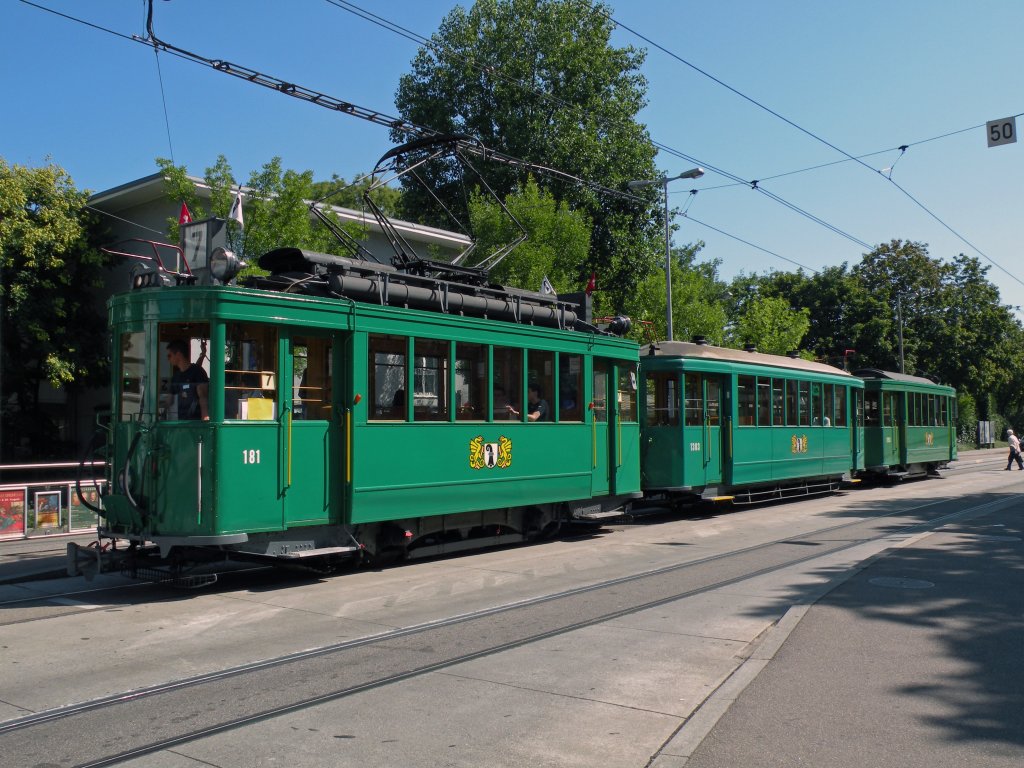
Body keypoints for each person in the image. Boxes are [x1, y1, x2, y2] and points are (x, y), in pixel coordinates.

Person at [166, 339, 210, 421]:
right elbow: (169, 400)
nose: (168, 359)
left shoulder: (198, 372)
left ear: (178, 354)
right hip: (180, 422)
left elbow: (203, 396)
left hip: (196, 422)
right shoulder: (176, 377)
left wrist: (205, 417)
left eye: (169, 355)